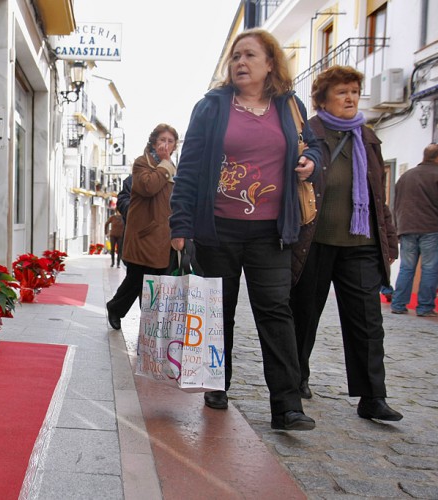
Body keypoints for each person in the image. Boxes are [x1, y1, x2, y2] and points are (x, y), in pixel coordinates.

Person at [170, 29, 319, 431]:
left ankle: (287, 406)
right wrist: (180, 224)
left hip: (272, 231)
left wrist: (311, 163)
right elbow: (189, 168)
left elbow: (314, 146)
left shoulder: (290, 106)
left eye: (250, 55)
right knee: (220, 313)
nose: (240, 62)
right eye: (236, 56)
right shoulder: (212, 107)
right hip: (218, 229)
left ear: (270, 63)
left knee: (275, 312)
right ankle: (217, 384)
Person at [290, 65, 403, 421]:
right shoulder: (311, 134)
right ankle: (296, 379)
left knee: (367, 322)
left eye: (354, 91)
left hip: (361, 243)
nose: (351, 97)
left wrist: (388, 236)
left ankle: (372, 396)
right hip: (316, 241)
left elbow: (377, 192)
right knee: (304, 316)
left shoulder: (367, 137)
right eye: (342, 92)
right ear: (322, 99)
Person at [107, 124, 177, 330]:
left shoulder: (173, 168)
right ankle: (116, 308)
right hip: (144, 235)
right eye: (162, 140)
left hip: (165, 235)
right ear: (154, 142)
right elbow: (148, 187)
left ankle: (150, 327)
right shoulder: (142, 163)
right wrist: (164, 164)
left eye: (170, 141)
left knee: (156, 282)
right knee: (136, 279)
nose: (166, 144)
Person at [391, 143, 438, 317]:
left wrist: (397, 228)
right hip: (432, 229)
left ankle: (398, 303)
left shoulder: (406, 176)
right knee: (429, 269)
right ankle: (425, 307)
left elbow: (396, 204)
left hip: (407, 228)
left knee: (406, 267)